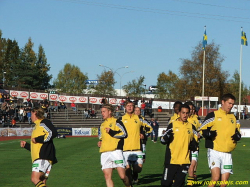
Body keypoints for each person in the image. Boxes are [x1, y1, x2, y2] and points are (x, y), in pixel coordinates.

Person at [198, 93, 241, 187]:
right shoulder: (213, 115)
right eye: (229, 103)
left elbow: (237, 131)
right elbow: (201, 130)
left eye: (232, 104)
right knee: (215, 178)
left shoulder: (234, 117)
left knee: (224, 183)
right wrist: (208, 134)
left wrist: (238, 136)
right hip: (215, 151)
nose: (231, 106)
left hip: (228, 153)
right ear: (223, 102)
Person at [161, 104, 198, 187]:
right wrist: (167, 137)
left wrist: (194, 145)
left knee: (178, 184)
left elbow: (196, 141)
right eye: (183, 113)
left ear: (189, 114)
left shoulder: (192, 127)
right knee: (165, 184)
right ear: (179, 113)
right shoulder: (172, 125)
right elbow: (162, 140)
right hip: (172, 160)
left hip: (185, 161)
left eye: (187, 113)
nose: (185, 115)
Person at [20, 107, 58, 187]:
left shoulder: (43, 122)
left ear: (35, 113)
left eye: (31, 114)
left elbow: (53, 132)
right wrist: (26, 145)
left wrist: (38, 139)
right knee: (41, 182)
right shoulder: (37, 126)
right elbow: (36, 147)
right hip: (41, 157)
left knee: (34, 179)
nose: (30, 116)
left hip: (42, 157)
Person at [97, 104, 131, 187]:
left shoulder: (117, 122)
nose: (102, 113)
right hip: (105, 153)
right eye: (101, 112)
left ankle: (129, 185)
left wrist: (112, 132)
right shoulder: (102, 125)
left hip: (116, 152)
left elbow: (124, 134)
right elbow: (101, 138)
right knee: (107, 176)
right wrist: (100, 142)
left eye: (104, 111)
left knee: (122, 176)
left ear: (110, 112)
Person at [121, 101, 152, 184]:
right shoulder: (121, 119)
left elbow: (150, 127)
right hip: (125, 149)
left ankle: (134, 173)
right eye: (128, 106)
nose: (130, 107)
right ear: (125, 107)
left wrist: (143, 134)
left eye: (131, 106)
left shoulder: (139, 119)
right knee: (127, 171)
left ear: (134, 108)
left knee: (138, 169)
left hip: (137, 148)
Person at [133, 106, 152, 183]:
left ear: (141, 112)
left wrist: (144, 135)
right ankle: (134, 177)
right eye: (136, 110)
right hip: (131, 143)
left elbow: (150, 129)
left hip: (142, 143)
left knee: (142, 160)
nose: (137, 112)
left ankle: (134, 173)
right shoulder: (130, 120)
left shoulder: (143, 120)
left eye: (138, 110)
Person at [185, 101, 202, 186]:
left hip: (194, 146)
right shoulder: (183, 119)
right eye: (189, 109)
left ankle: (190, 183)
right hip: (184, 146)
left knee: (192, 165)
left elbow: (202, 129)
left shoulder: (197, 119)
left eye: (192, 109)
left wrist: (200, 134)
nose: (191, 110)